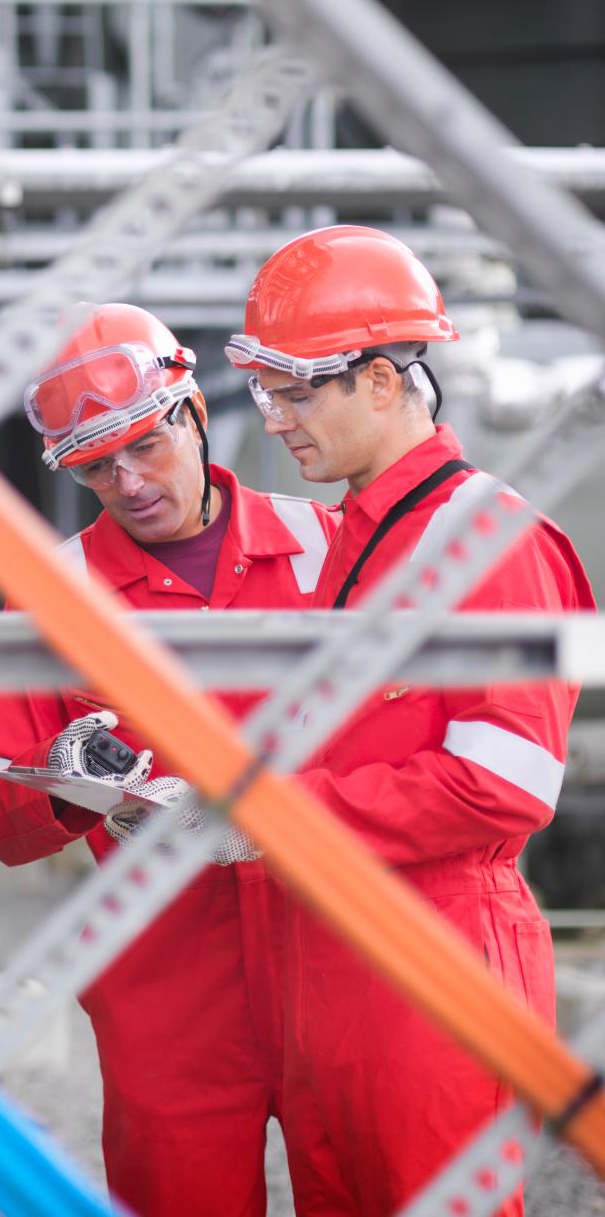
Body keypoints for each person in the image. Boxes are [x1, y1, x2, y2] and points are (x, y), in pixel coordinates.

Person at [226, 224, 596, 1216]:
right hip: (336, 956)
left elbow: (508, 781)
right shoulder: (356, 538)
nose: (277, 419)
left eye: (296, 391)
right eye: (267, 391)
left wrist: (276, 810)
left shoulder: (488, 539)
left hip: (439, 957)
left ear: (383, 381)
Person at [0, 303, 341, 1217]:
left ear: (195, 414)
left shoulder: (329, 548)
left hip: (333, 941)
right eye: (94, 466)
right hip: (165, 977)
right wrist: (69, 778)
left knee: (379, 1183)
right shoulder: (59, 593)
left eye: (143, 447)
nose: (126, 482)